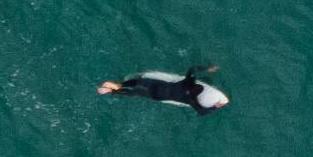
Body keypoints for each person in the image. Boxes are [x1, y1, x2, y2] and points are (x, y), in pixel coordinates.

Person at [97, 64, 229, 115]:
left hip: (152, 84)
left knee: (134, 83)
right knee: (135, 92)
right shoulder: (191, 100)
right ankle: (113, 90)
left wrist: (208, 68)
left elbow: (192, 69)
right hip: (156, 95)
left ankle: (115, 87)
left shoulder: (187, 83)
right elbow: (201, 111)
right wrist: (216, 106)